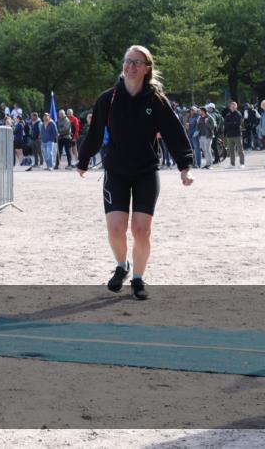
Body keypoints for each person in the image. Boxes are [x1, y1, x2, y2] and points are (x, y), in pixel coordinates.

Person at [77, 45, 194, 301]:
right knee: (116, 229)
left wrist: (185, 166)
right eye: (127, 61)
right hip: (116, 171)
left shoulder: (156, 101)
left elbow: (174, 133)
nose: (130, 67)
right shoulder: (108, 99)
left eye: (137, 63)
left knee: (141, 230)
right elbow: (95, 132)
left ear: (146, 68)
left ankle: (138, 278)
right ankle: (122, 266)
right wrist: (83, 159)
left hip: (146, 171)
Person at [223, 101, 245, 168]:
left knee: (240, 150)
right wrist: (232, 123)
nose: (232, 107)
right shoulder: (228, 115)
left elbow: (237, 124)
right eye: (231, 106)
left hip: (237, 134)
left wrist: (230, 123)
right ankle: (232, 164)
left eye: (233, 106)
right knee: (231, 151)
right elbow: (225, 124)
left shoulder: (238, 114)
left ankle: (242, 164)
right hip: (229, 135)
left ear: (236, 107)